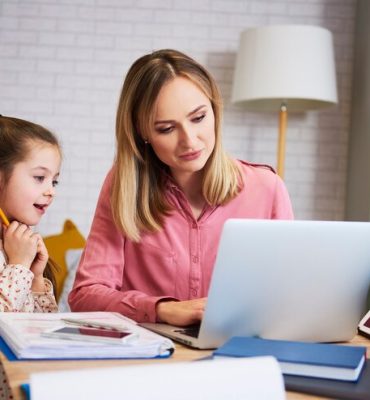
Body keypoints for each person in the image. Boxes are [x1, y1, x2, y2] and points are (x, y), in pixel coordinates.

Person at [69, 49, 294, 326]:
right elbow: (85, 296)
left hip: (237, 354)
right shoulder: (123, 186)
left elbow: (288, 296)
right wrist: (161, 310)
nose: (189, 141)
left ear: (214, 111)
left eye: (198, 118)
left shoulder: (266, 188)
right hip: (150, 358)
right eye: (166, 128)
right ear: (143, 134)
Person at [0, 115, 60, 312]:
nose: (51, 190)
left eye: (54, 181)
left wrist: (36, 279)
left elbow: (42, 330)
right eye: (39, 177)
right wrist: (19, 266)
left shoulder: (22, 246)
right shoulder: (19, 257)